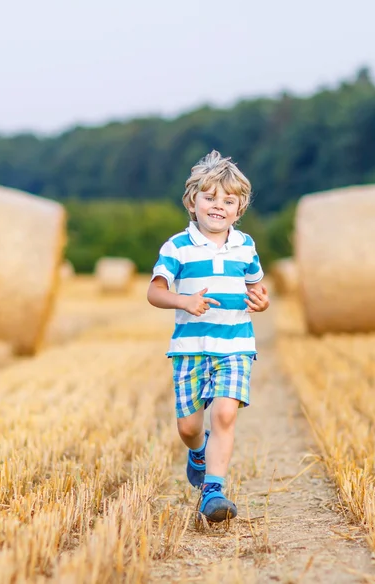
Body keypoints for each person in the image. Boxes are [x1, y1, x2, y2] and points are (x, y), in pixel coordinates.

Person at [147, 150, 270, 523]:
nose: (218, 206)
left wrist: (262, 302)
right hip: (189, 349)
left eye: (228, 201)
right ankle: (197, 452)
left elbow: (258, 289)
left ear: (239, 209)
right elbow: (154, 292)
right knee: (188, 427)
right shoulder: (177, 247)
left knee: (225, 413)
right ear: (192, 201)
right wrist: (183, 300)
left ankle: (213, 491)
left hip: (235, 345)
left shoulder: (245, 246)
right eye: (210, 197)